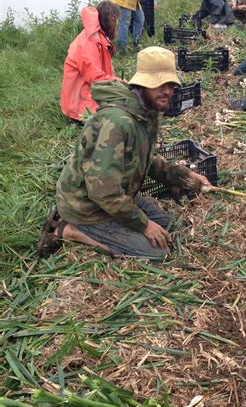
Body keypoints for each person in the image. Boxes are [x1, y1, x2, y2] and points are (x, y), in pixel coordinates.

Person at [38, 48, 213, 261]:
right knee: (158, 253)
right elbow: (103, 192)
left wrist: (184, 176)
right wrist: (144, 225)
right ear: (142, 84)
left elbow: (146, 159)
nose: (168, 91)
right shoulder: (116, 122)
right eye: (160, 84)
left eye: (171, 85)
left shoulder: (145, 112)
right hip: (88, 206)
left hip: (118, 193)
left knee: (169, 227)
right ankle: (70, 230)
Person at [60, 1, 120, 123]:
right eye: (116, 20)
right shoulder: (89, 43)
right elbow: (96, 78)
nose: (117, 24)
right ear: (111, 20)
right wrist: (123, 84)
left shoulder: (97, 37)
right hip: (79, 107)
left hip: (86, 93)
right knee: (120, 116)